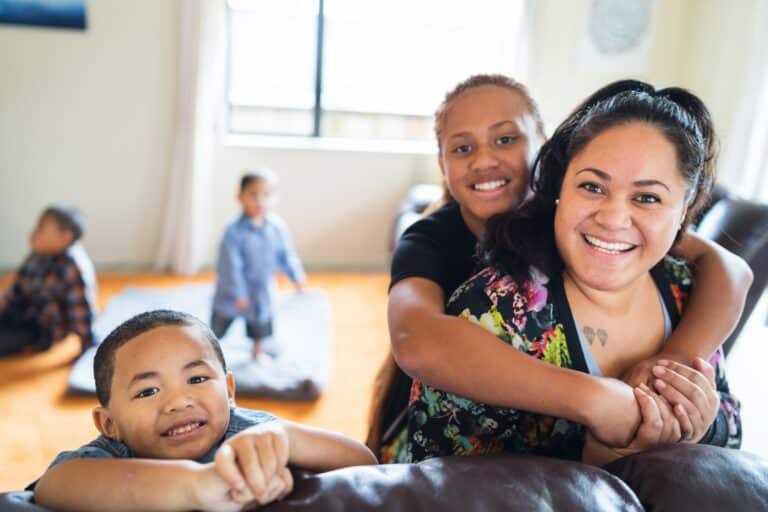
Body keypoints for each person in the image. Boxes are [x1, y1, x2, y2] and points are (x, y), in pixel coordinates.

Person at [371, 75, 750, 460]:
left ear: (542, 145)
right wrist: (596, 405)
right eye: (462, 147)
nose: (615, 218)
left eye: (505, 139)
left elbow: (731, 270)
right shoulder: (450, 260)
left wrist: (679, 373)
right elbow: (417, 340)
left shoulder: (660, 266)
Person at [31, 309, 376, 511]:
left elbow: (366, 465)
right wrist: (197, 485)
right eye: (148, 390)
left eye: (196, 379)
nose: (179, 402)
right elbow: (52, 486)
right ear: (108, 423)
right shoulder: (110, 454)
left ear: (229, 391)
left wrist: (286, 438)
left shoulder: (247, 432)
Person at [211, 169, 306, 360]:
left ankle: (257, 351)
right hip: (234, 291)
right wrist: (239, 293)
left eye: (267, 195)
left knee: (260, 322)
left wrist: (296, 276)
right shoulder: (234, 231)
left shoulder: (276, 227)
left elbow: (285, 255)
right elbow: (230, 266)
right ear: (240, 197)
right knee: (220, 323)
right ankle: (209, 350)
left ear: (275, 198)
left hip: (261, 288)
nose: (260, 201)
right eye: (253, 194)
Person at [0, 205, 96, 357]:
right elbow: (18, 287)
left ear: (65, 238)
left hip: (43, 327)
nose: (33, 233)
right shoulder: (38, 254)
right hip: (24, 310)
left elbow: (81, 313)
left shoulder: (73, 268)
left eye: (40, 228)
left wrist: (88, 347)